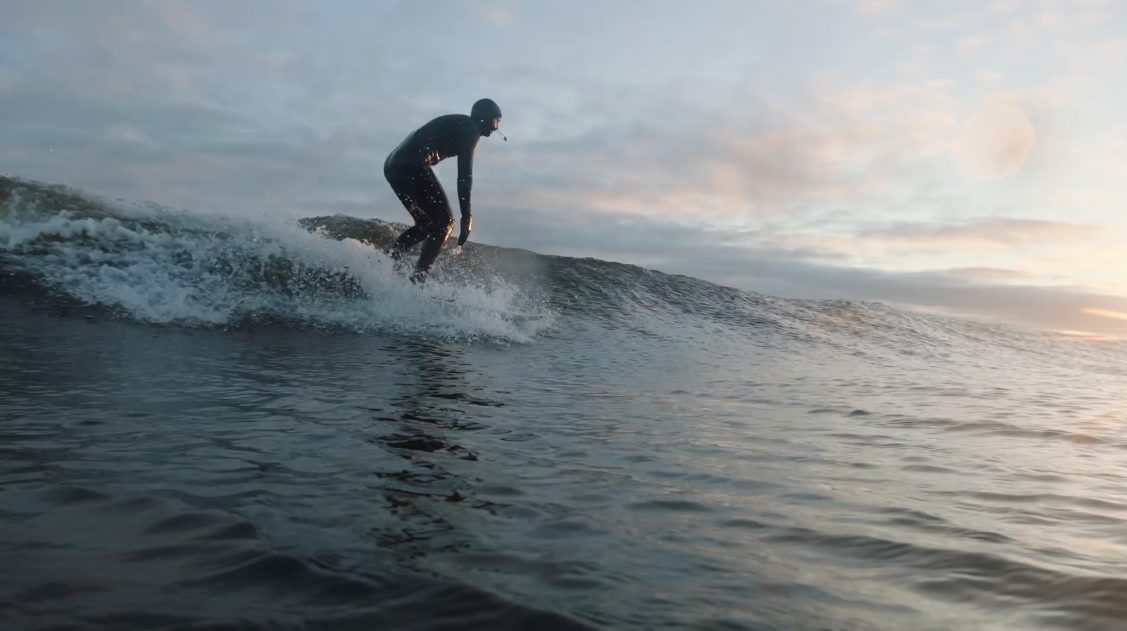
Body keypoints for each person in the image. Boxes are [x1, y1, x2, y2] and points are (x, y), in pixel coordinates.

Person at [383, 98, 503, 283]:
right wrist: (467, 217)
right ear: (484, 118)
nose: (496, 127)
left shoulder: (462, 124)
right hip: (411, 164)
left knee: (426, 225)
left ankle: (386, 266)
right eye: (496, 120)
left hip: (393, 166)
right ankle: (417, 281)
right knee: (445, 223)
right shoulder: (470, 128)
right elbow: (464, 176)